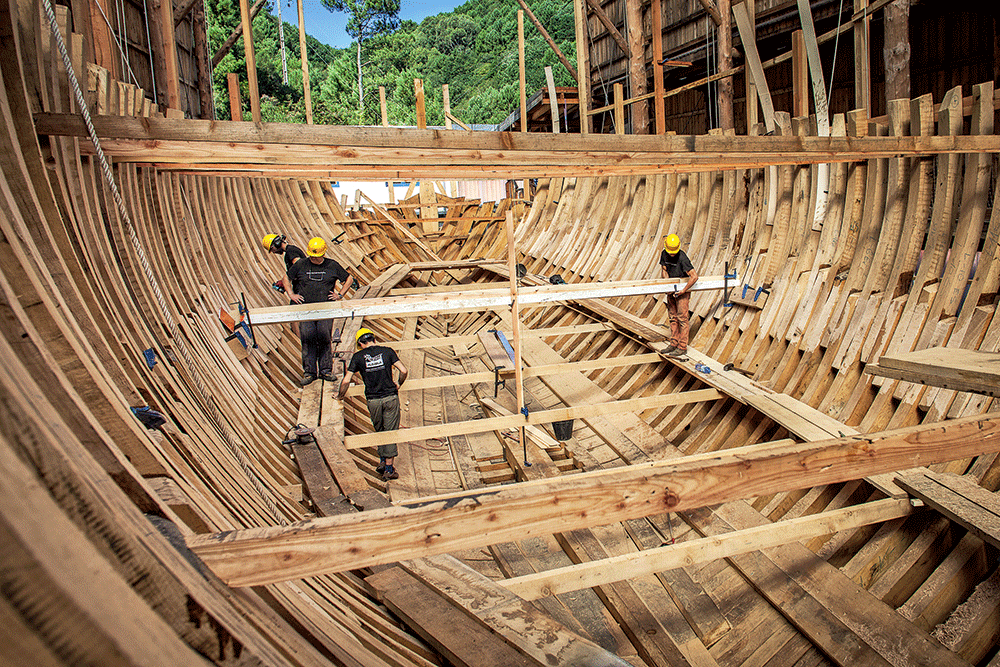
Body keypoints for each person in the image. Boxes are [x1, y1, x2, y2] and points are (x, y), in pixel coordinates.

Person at [338, 328, 408, 481]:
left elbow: (345, 381)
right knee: (389, 432)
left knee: (380, 430)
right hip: (390, 398)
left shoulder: (358, 357)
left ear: (360, 343)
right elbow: (403, 370)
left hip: (373, 401)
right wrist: (398, 384)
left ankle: (383, 462)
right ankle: (389, 469)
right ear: (373, 339)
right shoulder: (388, 352)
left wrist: (340, 396)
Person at [285, 237, 353, 385]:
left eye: (317, 256)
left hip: (325, 310)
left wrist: (340, 294)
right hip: (306, 310)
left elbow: (348, 279)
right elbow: (286, 278)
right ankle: (309, 373)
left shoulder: (332, 265)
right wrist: (291, 294)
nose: (314, 259)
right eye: (312, 256)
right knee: (307, 339)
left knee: (324, 338)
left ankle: (326, 371)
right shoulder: (301, 264)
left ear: (323, 254)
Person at [659, 233, 698, 358]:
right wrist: (667, 284)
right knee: (672, 317)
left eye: (673, 252)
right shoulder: (664, 253)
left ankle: (682, 347)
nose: (671, 254)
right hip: (671, 289)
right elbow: (664, 269)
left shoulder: (682, 257)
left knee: (682, 318)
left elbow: (694, 276)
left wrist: (684, 290)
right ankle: (673, 343)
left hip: (682, 290)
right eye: (670, 252)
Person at [263, 233, 306, 337]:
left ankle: (301, 341)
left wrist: (286, 280)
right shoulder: (291, 251)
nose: (273, 252)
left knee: (294, 314)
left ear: (275, 245)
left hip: (302, 289)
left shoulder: (291, 252)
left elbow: (300, 266)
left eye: (272, 250)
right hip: (302, 287)